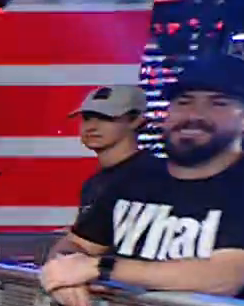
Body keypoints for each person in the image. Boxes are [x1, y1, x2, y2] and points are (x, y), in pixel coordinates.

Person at [41, 55, 244, 306]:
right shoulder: (135, 178)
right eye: (183, 102)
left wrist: (99, 268)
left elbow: (222, 278)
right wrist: (65, 272)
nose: (194, 114)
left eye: (218, 103)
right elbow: (76, 243)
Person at [49, 84, 162, 261]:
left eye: (106, 118)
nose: (92, 127)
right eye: (87, 118)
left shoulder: (154, 176)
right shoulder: (94, 183)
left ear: (136, 121)